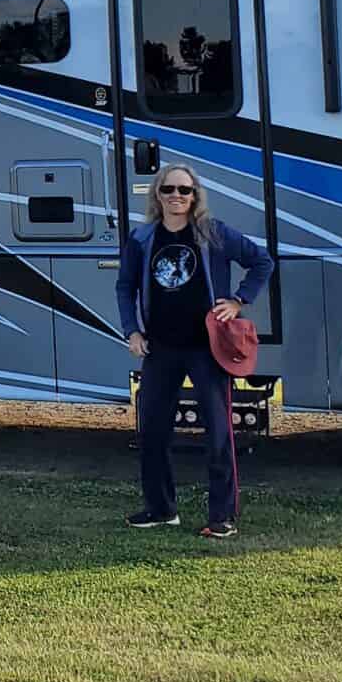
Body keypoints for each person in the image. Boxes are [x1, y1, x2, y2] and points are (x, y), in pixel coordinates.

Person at [116, 163, 274, 538]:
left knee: (218, 433)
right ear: (157, 194)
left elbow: (261, 262)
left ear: (195, 195)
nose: (176, 196)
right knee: (152, 430)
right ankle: (160, 509)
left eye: (184, 190)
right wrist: (132, 331)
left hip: (207, 348)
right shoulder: (142, 239)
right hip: (160, 348)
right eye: (168, 189)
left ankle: (222, 516)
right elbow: (125, 287)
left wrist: (238, 300)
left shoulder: (212, 233)